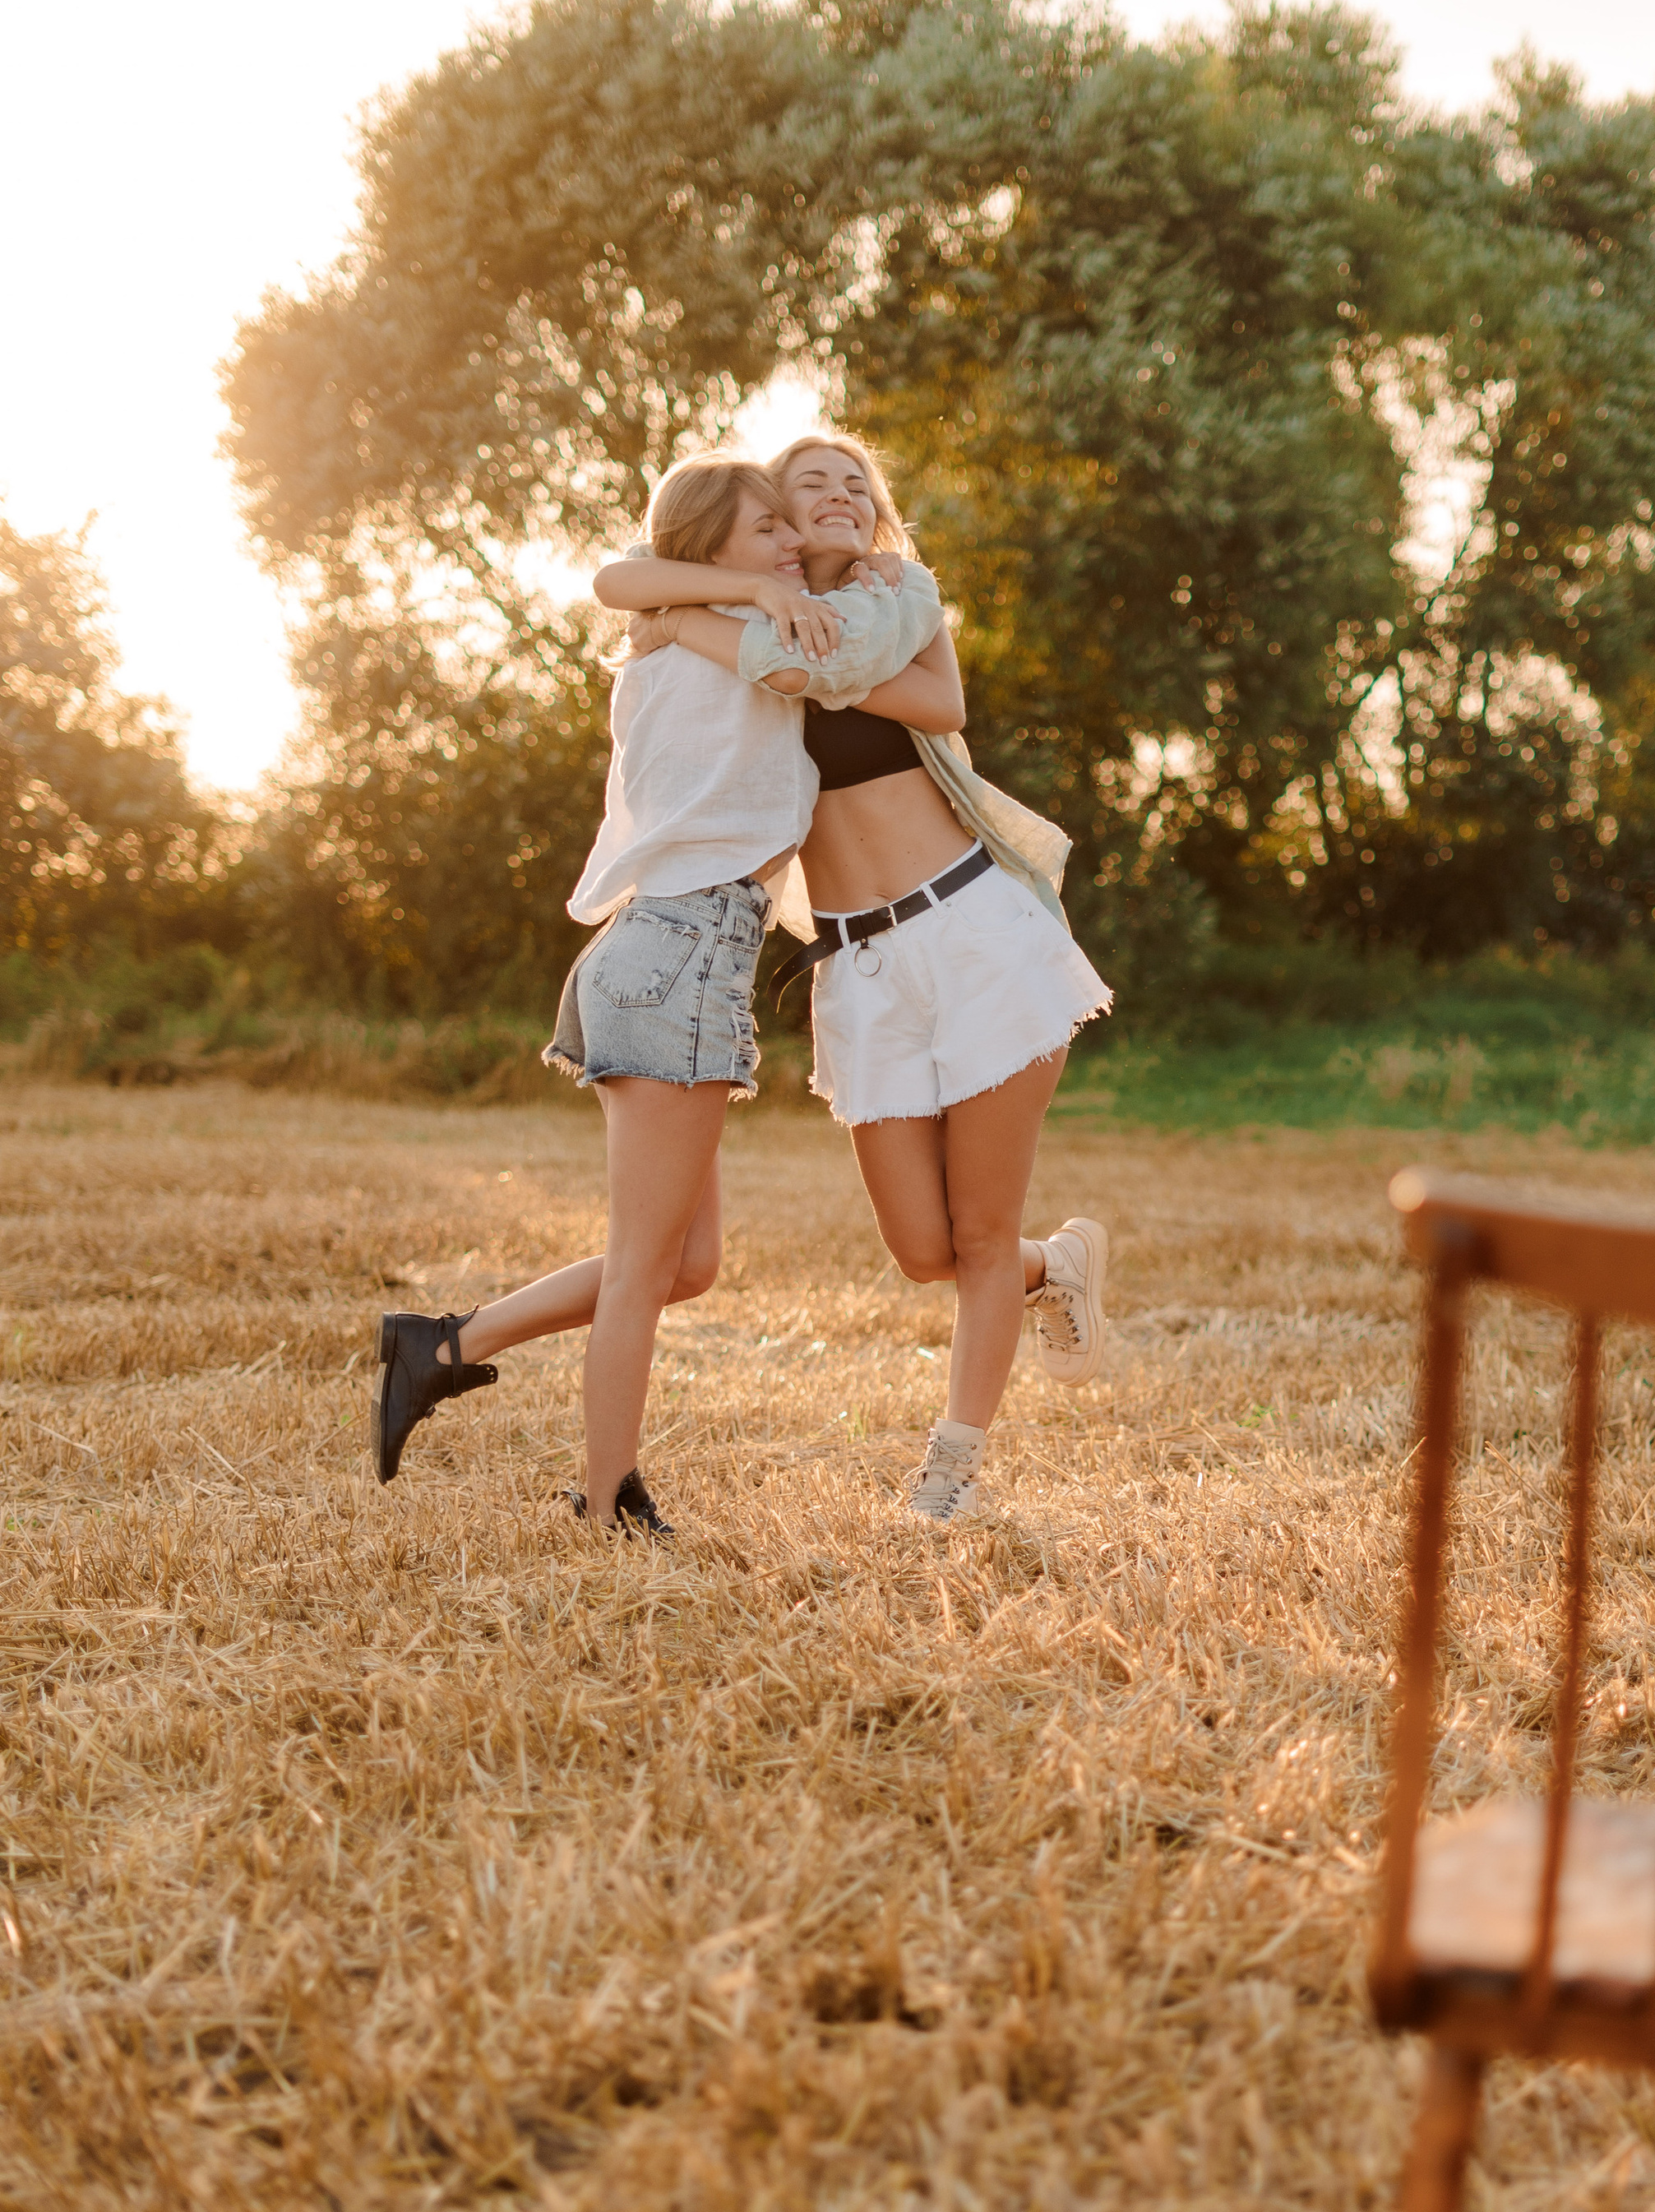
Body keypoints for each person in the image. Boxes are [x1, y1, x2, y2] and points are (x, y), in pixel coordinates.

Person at [599, 433, 1114, 1527]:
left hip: (975, 930)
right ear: (775, 526)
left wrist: (711, 627)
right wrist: (721, 606)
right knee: (923, 1252)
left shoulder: (898, 597)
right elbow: (621, 582)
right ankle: (1054, 1268)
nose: (834, 499)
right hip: (859, 959)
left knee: (977, 1232)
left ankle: (951, 1475)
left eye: (856, 487)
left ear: (874, 515)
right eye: (805, 491)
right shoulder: (752, 618)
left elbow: (938, 707)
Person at [369, 455, 834, 1530]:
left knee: (688, 1263)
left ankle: (443, 1347)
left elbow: (645, 588)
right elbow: (622, 578)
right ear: (707, 543)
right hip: (680, 949)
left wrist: (758, 588)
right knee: (643, 1269)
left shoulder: (690, 634)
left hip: (676, 949)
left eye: (787, 530)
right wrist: (759, 594)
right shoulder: (707, 636)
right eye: (765, 527)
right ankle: (605, 1499)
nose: (788, 544)